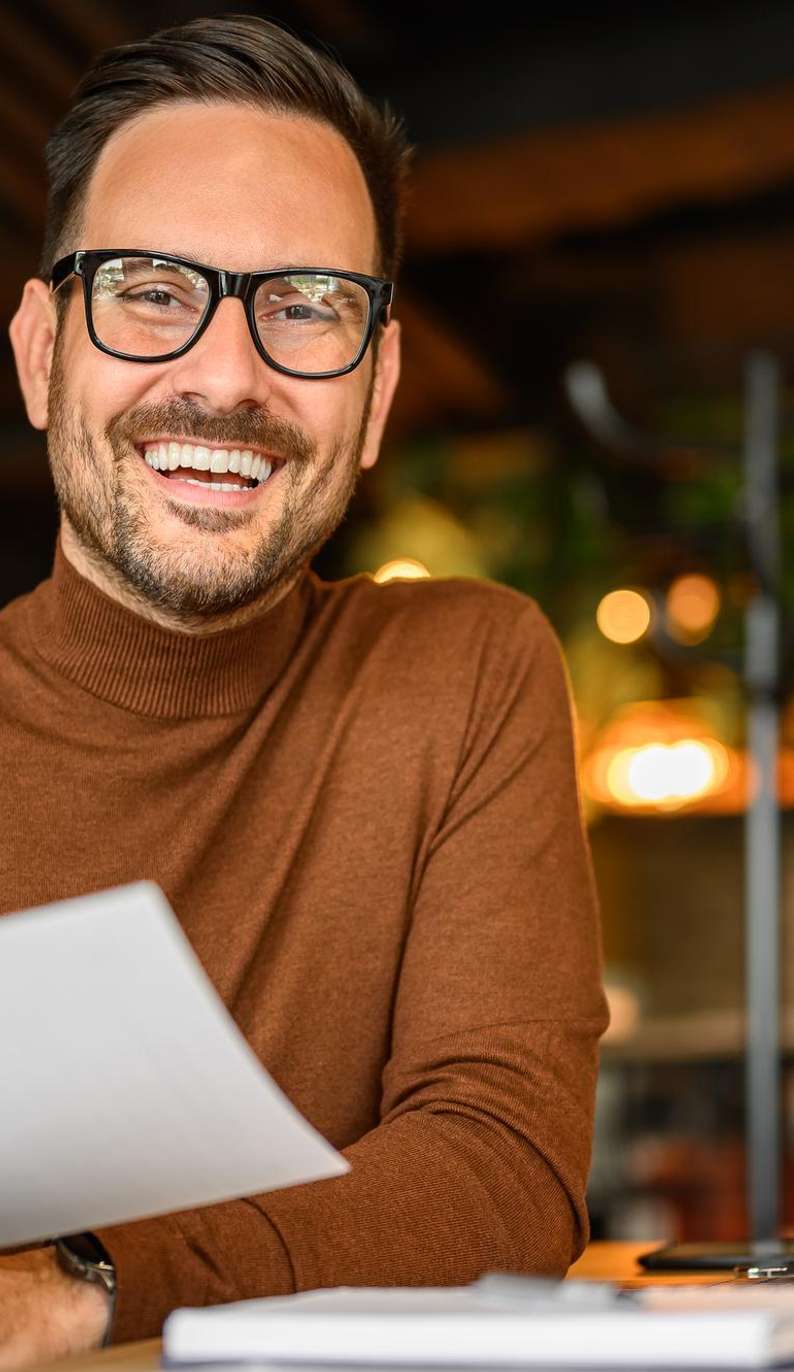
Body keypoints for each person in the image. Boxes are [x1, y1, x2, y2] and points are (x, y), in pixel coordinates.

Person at [2, 14, 607, 1367]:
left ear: (378, 387)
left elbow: (502, 1167)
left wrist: (78, 1285)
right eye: (152, 289)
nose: (228, 377)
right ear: (43, 351)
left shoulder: (459, 672)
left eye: (307, 308)